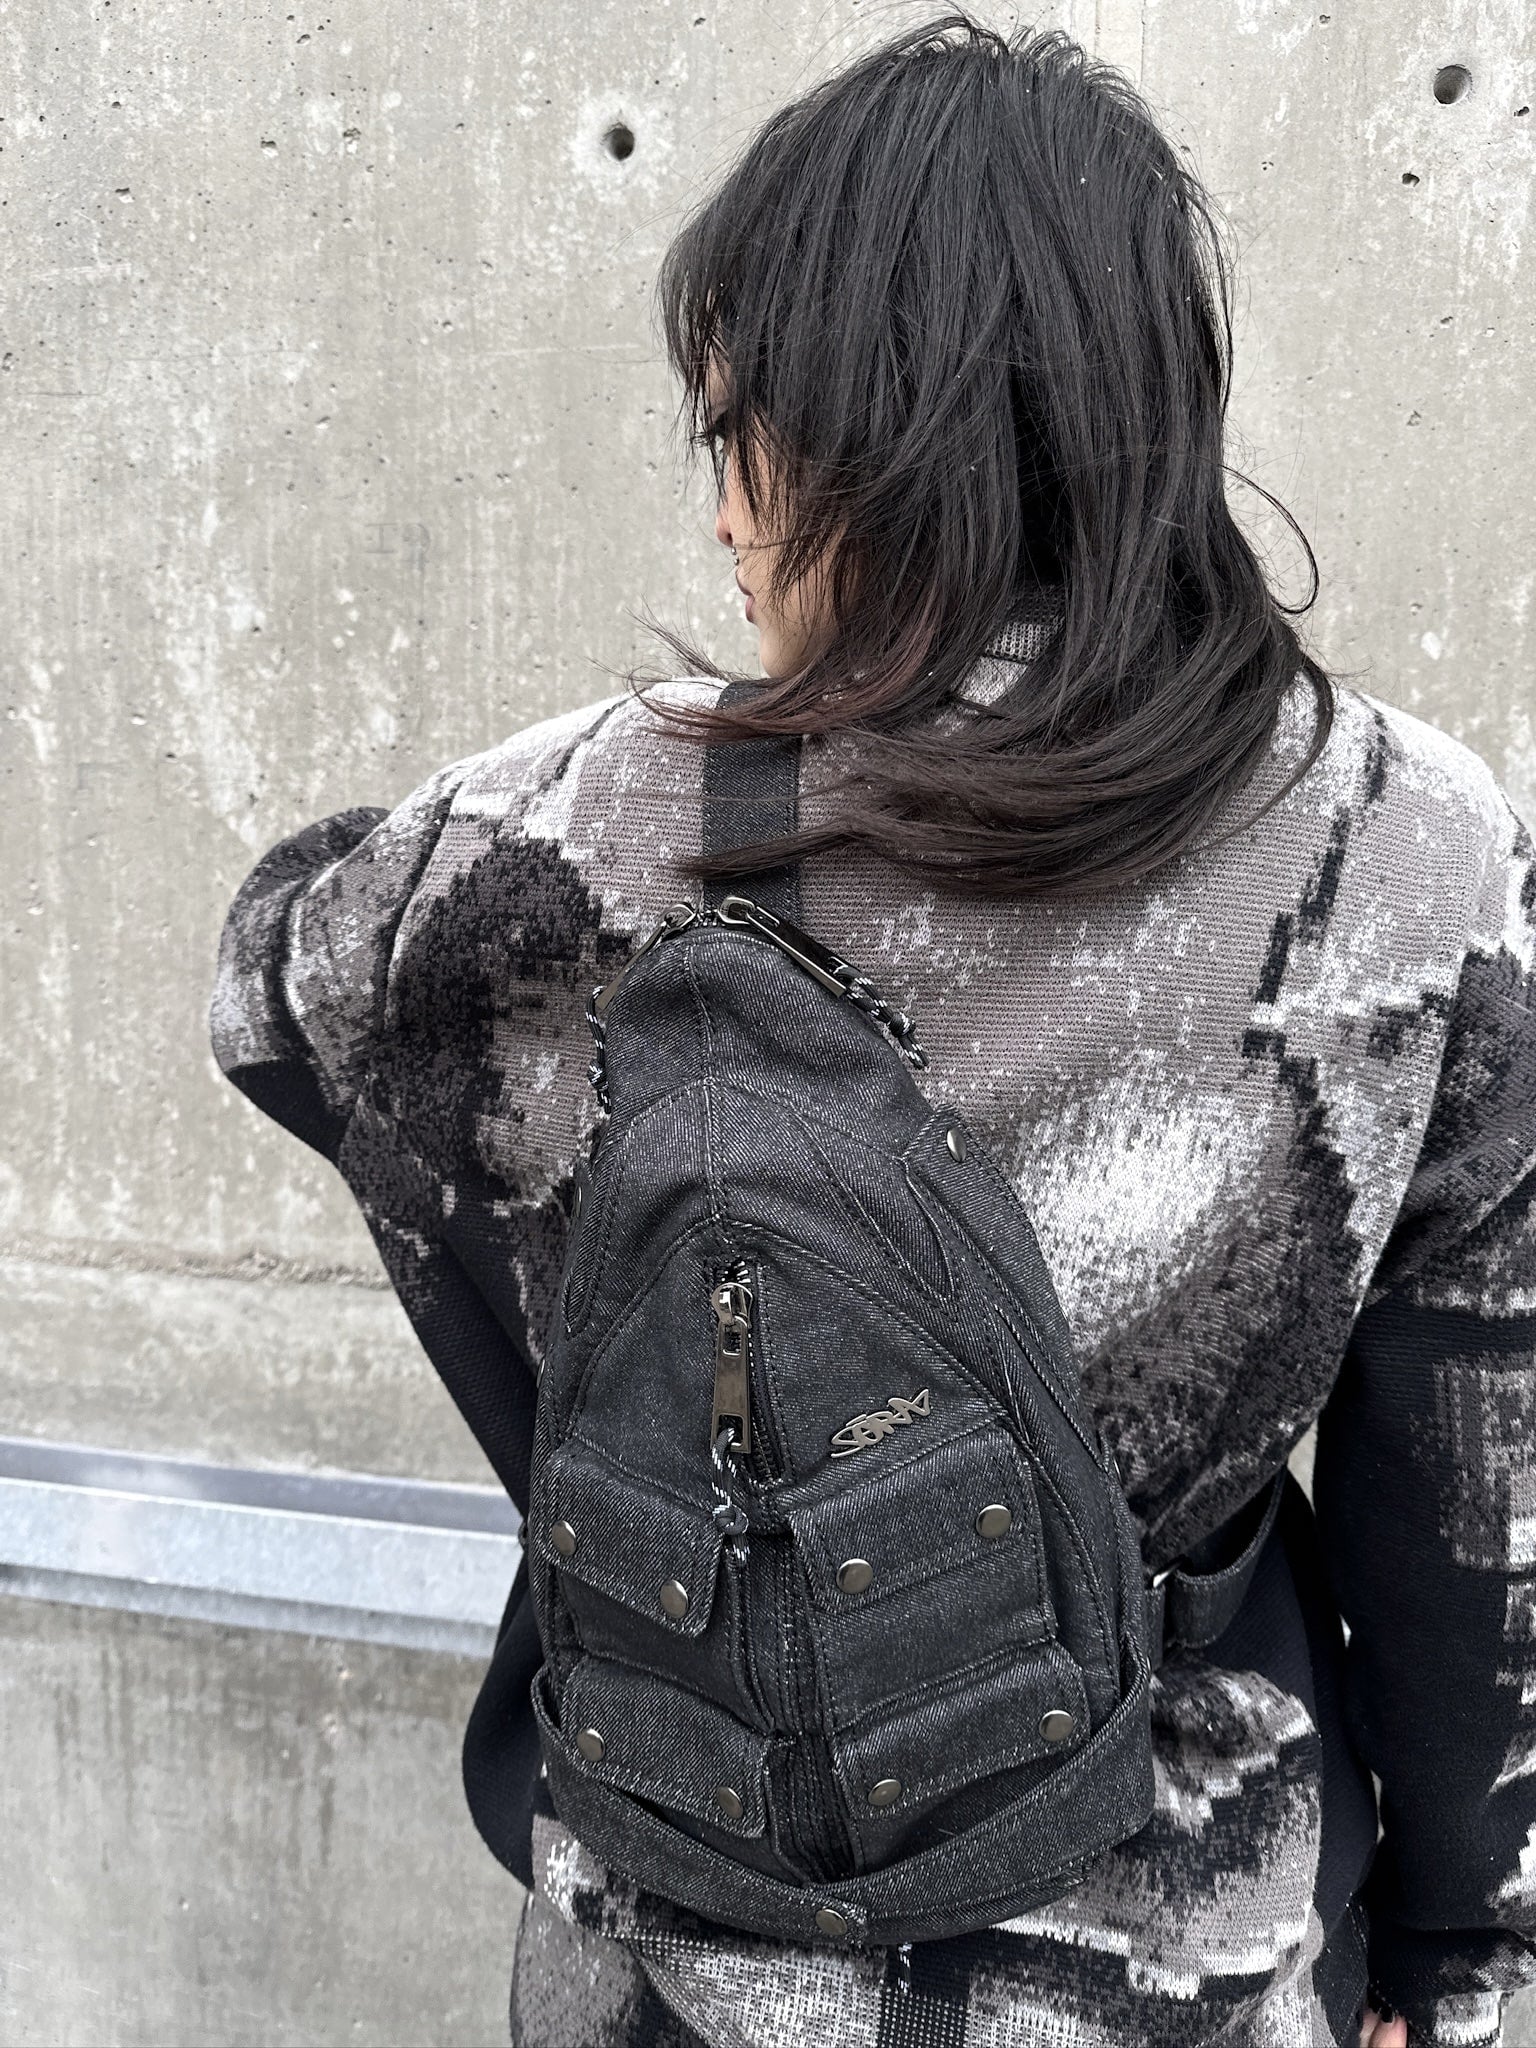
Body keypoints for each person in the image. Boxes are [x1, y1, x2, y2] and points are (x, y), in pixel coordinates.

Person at [209, 15, 1536, 2045]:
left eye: (736, 433)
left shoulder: (579, 829)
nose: (724, 520)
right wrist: (1459, 1954)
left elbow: (278, 989)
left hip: (677, 1952)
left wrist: (620, 1385)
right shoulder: (1411, 849)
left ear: (866, 438)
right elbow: (1471, 1498)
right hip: (1177, 1963)